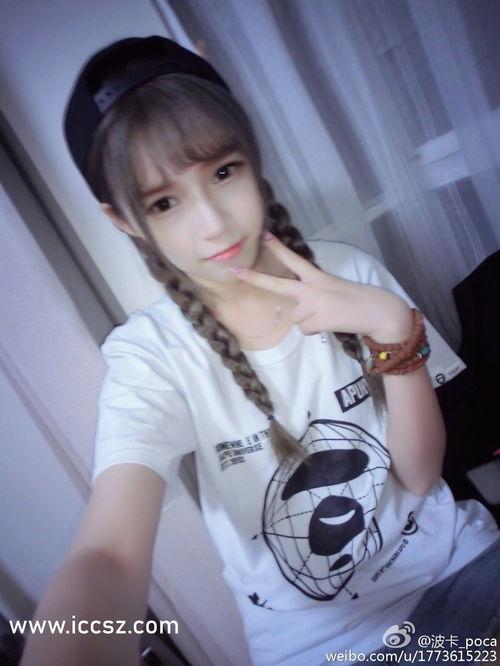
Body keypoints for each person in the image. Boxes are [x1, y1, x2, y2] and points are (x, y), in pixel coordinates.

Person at [21, 36, 500, 666]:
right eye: (164, 202)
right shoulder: (150, 359)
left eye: (224, 172)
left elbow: (418, 476)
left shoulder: (349, 274)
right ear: (126, 222)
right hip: (326, 647)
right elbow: (108, 553)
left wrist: (390, 324)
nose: (213, 223)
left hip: (463, 570)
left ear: (253, 158)